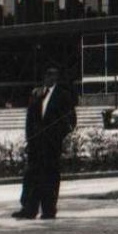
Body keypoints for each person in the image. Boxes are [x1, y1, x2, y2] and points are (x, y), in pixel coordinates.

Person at [13, 63, 76, 220]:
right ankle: (29, 209)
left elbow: (71, 120)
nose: (50, 77)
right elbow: (30, 119)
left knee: (50, 177)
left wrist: (57, 136)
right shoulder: (37, 94)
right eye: (47, 74)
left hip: (51, 145)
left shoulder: (63, 96)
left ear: (57, 77)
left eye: (53, 74)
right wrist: (29, 139)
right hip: (35, 144)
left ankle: (49, 210)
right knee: (31, 176)